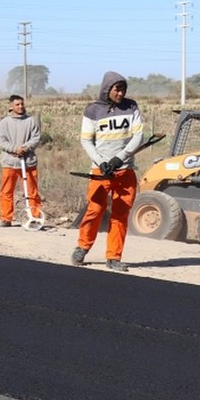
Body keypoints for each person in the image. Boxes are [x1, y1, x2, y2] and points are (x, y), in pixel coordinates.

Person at [72, 72, 143, 272]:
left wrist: (119, 158)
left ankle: (113, 256)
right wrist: (102, 162)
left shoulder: (132, 107)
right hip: (100, 171)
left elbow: (139, 136)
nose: (120, 93)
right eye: (116, 90)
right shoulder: (92, 110)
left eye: (123, 90)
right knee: (94, 210)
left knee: (120, 215)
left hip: (125, 170)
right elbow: (86, 140)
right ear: (107, 89)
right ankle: (83, 246)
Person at [0, 94, 41, 228]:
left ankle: (34, 217)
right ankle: (6, 218)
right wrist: (15, 149)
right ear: (11, 106)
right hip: (9, 163)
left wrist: (25, 148)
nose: (20, 106)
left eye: (22, 104)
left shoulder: (31, 121)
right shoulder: (5, 122)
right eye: (17, 104)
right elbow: (1, 141)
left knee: (32, 192)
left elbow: (36, 138)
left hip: (28, 162)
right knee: (6, 192)